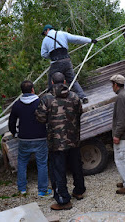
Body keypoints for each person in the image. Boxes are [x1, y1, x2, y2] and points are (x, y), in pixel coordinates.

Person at [35, 72, 85, 210]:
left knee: (58, 170)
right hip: (73, 139)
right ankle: (79, 191)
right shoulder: (74, 96)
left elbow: (40, 118)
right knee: (76, 165)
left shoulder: (47, 99)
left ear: (52, 82)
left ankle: (63, 200)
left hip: (56, 143)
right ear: (64, 81)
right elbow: (80, 111)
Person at [8, 80, 52, 197]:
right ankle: (42, 190)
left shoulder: (17, 104)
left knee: (22, 163)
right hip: (40, 137)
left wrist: (14, 133)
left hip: (24, 138)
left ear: (22, 91)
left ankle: (22, 189)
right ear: (33, 90)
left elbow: (11, 121)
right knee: (42, 164)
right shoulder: (39, 102)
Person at [40, 24, 97, 104]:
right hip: (66, 60)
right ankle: (83, 96)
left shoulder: (45, 40)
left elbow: (43, 54)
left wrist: (52, 57)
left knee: (52, 81)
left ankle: (50, 101)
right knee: (72, 80)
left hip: (55, 63)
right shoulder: (62, 33)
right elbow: (77, 39)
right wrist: (90, 40)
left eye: (44, 33)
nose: (45, 34)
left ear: (47, 30)